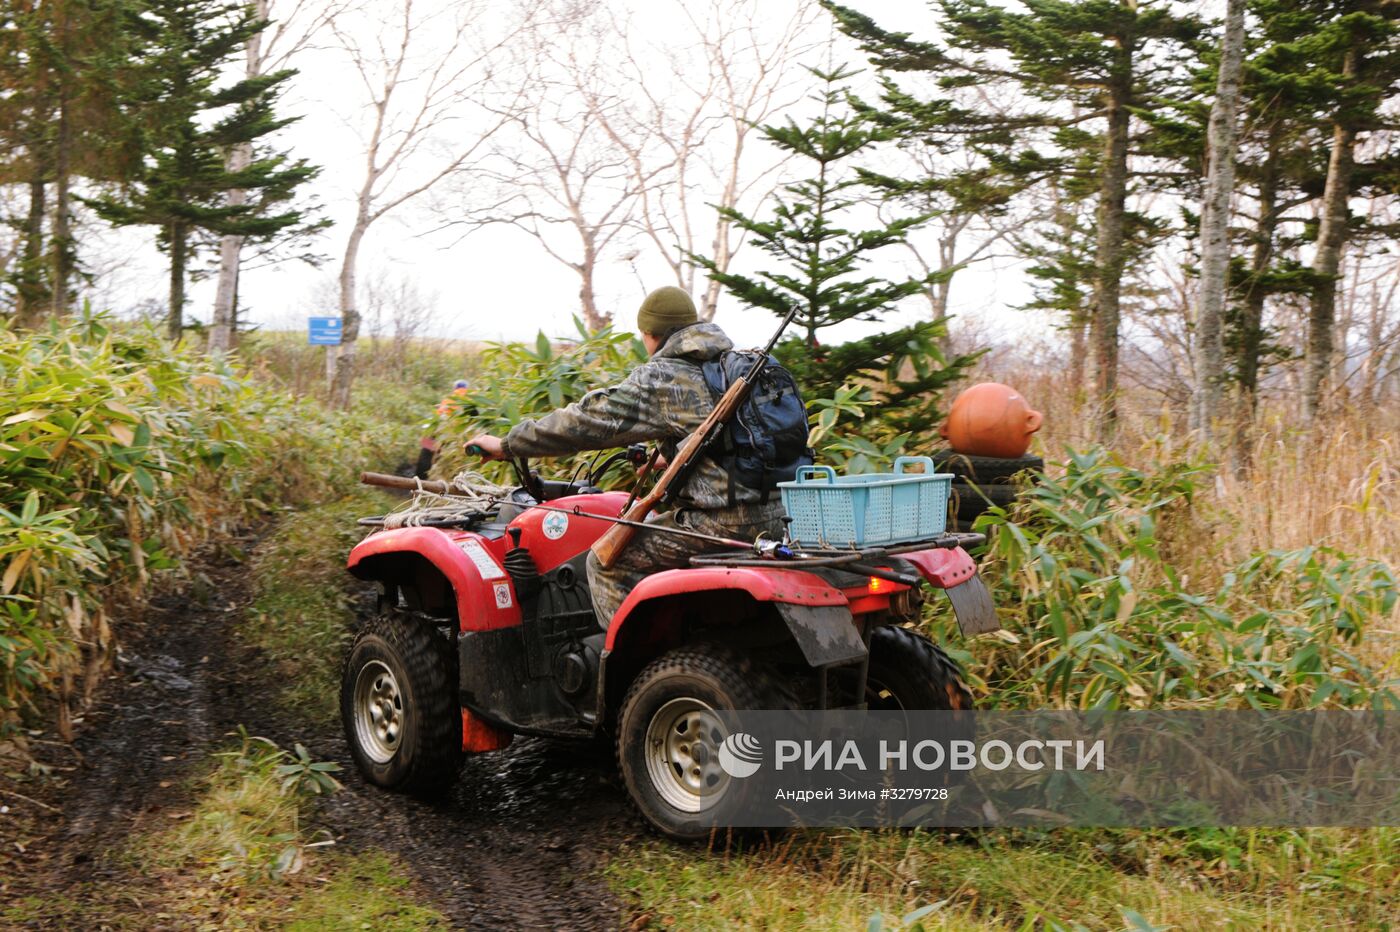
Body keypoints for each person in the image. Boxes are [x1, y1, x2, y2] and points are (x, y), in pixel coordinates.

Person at [466, 286, 788, 626]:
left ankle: (635, 675)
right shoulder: (736, 367)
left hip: (726, 522)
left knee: (605, 565)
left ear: (651, 334)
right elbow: (737, 437)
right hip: (782, 514)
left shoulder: (663, 376)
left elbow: (587, 422)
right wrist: (670, 455)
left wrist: (507, 444)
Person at [415, 379, 471, 479]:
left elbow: (440, 413)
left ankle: (419, 478)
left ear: (455, 388)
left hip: (437, 428)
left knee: (426, 452)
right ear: (466, 388)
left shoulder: (448, 399)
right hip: (454, 433)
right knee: (446, 458)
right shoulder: (470, 398)